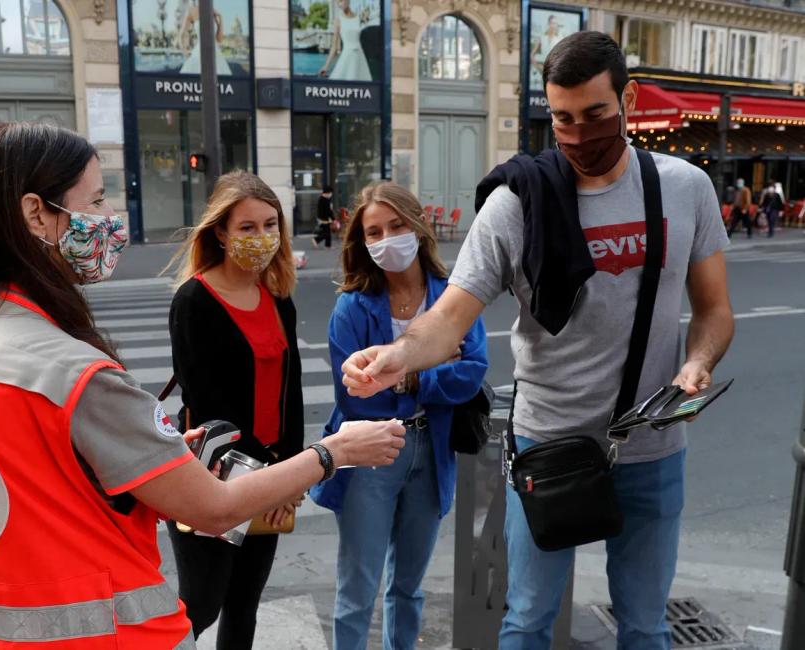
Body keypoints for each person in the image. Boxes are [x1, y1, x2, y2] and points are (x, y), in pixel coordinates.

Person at [0, 122, 405, 649]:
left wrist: (150, 455)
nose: (109, 220)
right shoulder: (71, 372)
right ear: (36, 213)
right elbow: (213, 507)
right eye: (97, 200)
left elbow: (36, 480)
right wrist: (332, 452)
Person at [340, 32, 734, 650]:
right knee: (526, 621)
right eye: (563, 119)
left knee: (645, 626)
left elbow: (714, 311)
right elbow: (449, 318)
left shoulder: (685, 188)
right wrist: (395, 357)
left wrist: (697, 362)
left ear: (628, 98)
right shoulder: (516, 205)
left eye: (595, 115)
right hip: (548, 444)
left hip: (651, 449)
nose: (579, 135)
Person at [310, 181, 488, 649]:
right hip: (371, 451)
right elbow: (358, 398)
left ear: (418, 227)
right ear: (362, 243)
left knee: (409, 587)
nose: (386, 239)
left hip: (432, 449)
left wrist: (406, 377)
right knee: (358, 589)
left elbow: (472, 373)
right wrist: (433, 368)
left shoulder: (452, 299)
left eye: (396, 226)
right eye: (373, 232)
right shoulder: (351, 307)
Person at [165, 170, 304, 648]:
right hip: (212, 481)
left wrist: (292, 471)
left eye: (270, 225)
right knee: (202, 604)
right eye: (248, 227)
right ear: (220, 232)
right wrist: (267, 481)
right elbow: (208, 408)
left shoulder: (278, 296)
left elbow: (293, 391)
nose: (262, 237)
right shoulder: (194, 301)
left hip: (269, 474)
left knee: (245, 604)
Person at [317, 0, 372, 81]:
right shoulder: (338, 20)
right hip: (347, 58)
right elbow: (334, 47)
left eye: (341, 1)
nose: (339, 4)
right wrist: (326, 66)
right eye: (338, 2)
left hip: (360, 58)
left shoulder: (358, 17)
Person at [179, 1, 232, 75]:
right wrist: (185, 51)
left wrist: (220, 18)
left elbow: (219, 39)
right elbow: (182, 33)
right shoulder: (192, 11)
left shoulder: (213, 11)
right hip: (199, 54)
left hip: (215, 54)